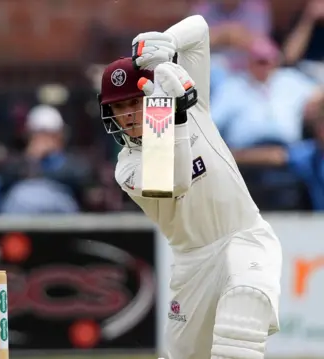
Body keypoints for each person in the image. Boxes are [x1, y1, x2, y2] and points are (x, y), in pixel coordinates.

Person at [97, 15, 282, 359]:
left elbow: (199, 28)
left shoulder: (193, 104)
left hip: (245, 236)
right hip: (193, 265)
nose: (129, 114)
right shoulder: (127, 166)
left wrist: (161, 46)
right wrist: (168, 113)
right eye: (119, 107)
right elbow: (174, 179)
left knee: (244, 316)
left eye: (134, 101)